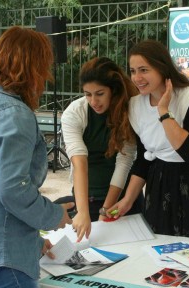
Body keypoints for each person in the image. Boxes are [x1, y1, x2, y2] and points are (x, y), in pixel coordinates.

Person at [0, 26, 73, 288]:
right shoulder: (13, 113)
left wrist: (32, 241)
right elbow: (12, 189)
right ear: (33, 68)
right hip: (1, 259)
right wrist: (53, 216)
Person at [107, 39, 189, 240]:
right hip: (159, 182)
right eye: (132, 71)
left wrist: (163, 111)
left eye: (143, 70)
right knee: (160, 250)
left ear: (161, 67)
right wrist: (127, 200)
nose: (137, 78)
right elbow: (143, 159)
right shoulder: (135, 105)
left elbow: (187, 151)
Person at [60, 57, 143, 242]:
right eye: (88, 94)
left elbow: (124, 161)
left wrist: (106, 210)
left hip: (122, 198)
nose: (93, 101)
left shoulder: (128, 110)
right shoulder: (74, 113)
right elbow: (79, 162)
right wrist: (82, 212)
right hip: (86, 197)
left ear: (112, 90)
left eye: (99, 94)